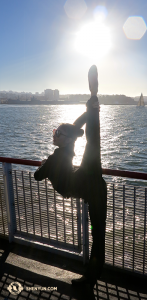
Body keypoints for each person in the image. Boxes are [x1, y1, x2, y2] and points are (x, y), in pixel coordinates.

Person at [34, 65, 107, 289]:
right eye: (54, 131)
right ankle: (94, 98)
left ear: (64, 139)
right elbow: (76, 128)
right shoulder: (67, 148)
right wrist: (90, 110)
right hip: (93, 185)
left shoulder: (56, 157)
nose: (54, 134)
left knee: (94, 145)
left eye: (57, 133)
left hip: (84, 183)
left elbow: (37, 176)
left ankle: (90, 279)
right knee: (93, 143)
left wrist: (45, 164)